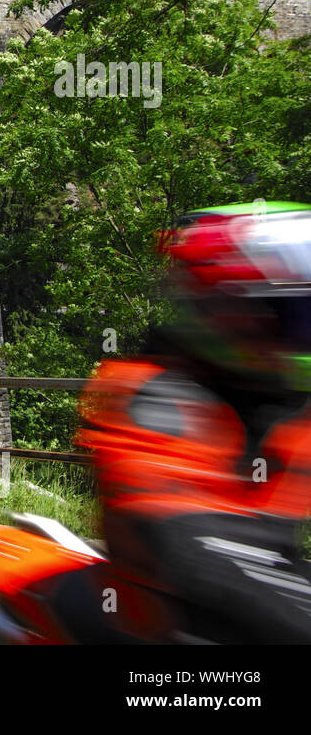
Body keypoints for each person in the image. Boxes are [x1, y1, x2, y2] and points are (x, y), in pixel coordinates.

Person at [76, 202, 311, 642]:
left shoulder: (285, 404)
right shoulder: (151, 400)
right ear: (236, 309)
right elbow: (198, 551)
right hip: (156, 627)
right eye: (298, 314)